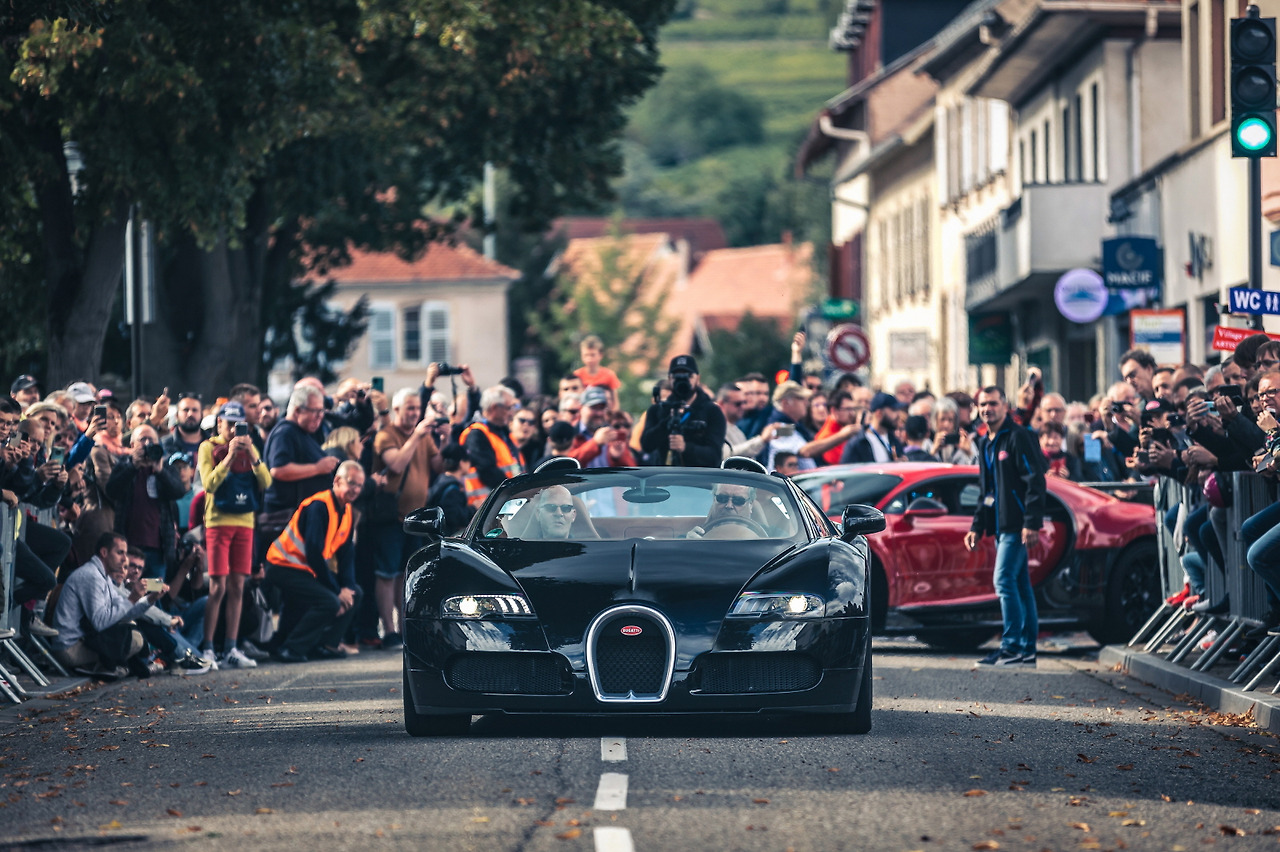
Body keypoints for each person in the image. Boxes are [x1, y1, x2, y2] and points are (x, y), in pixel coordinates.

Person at [964, 386, 1047, 667]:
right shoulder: (987, 442)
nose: (988, 409)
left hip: (1017, 525)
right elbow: (985, 492)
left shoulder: (1019, 436)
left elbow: (1036, 481)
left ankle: (1011, 647)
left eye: (993, 403)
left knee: (1003, 581)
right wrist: (977, 526)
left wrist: (1031, 522)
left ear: (1006, 405)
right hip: (1001, 527)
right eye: (983, 404)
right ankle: (1026, 650)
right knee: (1020, 585)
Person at [264, 460, 365, 663]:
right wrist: (337, 591)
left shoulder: (347, 512)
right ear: (337, 481)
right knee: (329, 601)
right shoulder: (319, 506)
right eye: (352, 483)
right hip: (282, 565)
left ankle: (326, 644)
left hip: (304, 568)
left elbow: (347, 556)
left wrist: (347, 587)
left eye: (360, 486)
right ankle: (291, 649)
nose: (356, 490)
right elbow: (314, 554)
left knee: (356, 593)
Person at [196, 401, 272, 669]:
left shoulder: (251, 447)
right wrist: (228, 456)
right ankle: (208, 647)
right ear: (219, 424)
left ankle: (232, 646)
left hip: (245, 522)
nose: (233, 430)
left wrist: (252, 455)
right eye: (228, 424)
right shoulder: (208, 447)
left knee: (240, 585)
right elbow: (209, 483)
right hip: (218, 521)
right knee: (218, 586)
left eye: (238, 425)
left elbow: (266, 481)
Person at [371, 387, 440, 649]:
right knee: (387, 574)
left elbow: (440, 466)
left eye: (416, 408)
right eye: (408, 408)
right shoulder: (386, 435)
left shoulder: (424, 436)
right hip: (390, 517)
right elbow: (397, 464)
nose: (413, 414)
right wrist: (417, 436)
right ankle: (388, 631)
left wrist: (442, 439)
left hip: (416, 520)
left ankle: (403, 629)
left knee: (406, 576)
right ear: (396, 409)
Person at [105, 424, 186, 580]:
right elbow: (112, 491)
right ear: (132, 445)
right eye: (143, 439)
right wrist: (133, 467)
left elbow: (179, 491)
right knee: (126, 589)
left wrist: (160, 471)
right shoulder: (123, 465)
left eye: (152, 440)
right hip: (128, 547)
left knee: (153, 593)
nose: (148, 444)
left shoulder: (166, 468)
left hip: (158, 549)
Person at [640, 355, 727, 468]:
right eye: (677, 376)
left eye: (688, 376)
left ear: (698, 378)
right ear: (669, 379)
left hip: (699, 482)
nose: (682, 380)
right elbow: (646, 445)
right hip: (664, 479)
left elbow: (714, 456)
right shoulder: (658, 410)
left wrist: (686, 447)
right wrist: (666, 423)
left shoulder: (712, 411)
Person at [460, 385, 525, 508]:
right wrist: (514, 490)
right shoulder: (476, 434)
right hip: (486, 507)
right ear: (495, 407)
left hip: (505, 502)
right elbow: (487, 471)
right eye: (509, 408)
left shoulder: (503, 432)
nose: (512, 413)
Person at [841, 392, 904, 463]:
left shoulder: (894, 440)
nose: (898, 415)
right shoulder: (857, 443)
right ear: (879, 413)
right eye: (894, 410)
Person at [426, 444, 474, 536]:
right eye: (467, 461)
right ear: (461, 463)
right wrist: (473, 509)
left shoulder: (441, 481)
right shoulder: (452, 488)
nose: (469, 464)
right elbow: (453, 516)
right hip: (447, 536)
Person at [687, 483, 758, 539]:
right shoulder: (697, 535)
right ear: (714, 500)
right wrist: (689, 547)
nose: (729, 505)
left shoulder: (767, 538)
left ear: (750, 505)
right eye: (722, 498)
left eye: (738, 500)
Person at [574, 334, 621, 411]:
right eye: (586, 355)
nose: (589, 359)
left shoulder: (609, 375)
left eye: (592, 355)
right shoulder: (577, 375)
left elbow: (615, 401)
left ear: (600, 355)